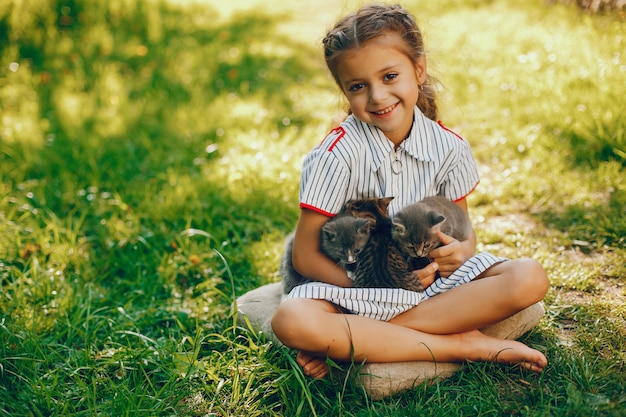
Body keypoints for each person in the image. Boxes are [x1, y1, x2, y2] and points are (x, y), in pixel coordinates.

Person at [271, 3, 549, 379]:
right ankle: (459, 343)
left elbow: (463, 235)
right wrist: (376, 284)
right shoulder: (334, 156)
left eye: (389, 76)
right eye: (358, 86)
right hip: (354, 290)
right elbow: (305, 257)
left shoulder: (449, 147)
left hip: (428, 286)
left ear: (418, 70)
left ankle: (366, 341)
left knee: (529, 277)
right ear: (344, 91)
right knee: (292, 320)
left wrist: (460, 252)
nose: (377, 96)